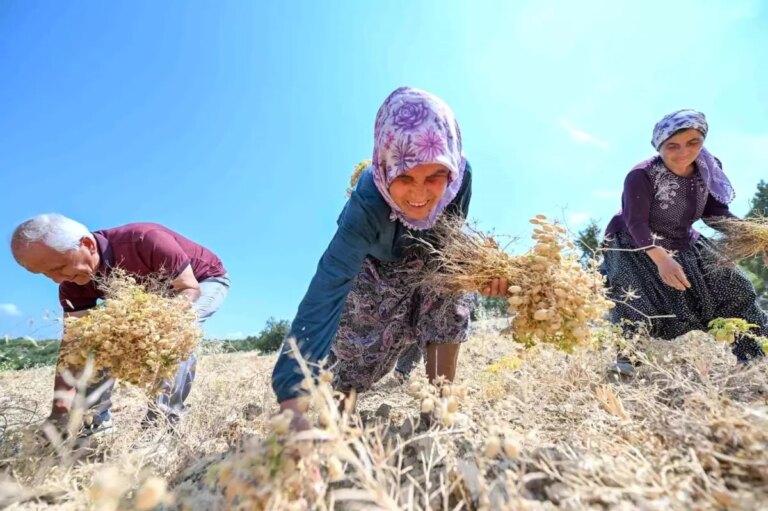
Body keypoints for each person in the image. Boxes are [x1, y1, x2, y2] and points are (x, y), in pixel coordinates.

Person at [272, 87, 507, 428]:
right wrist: (291, 397)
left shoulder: (461, 177)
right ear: (384, 166)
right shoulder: (366, 203)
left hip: (429, 259)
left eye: (434, 177)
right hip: (375, 272)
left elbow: (451, 245)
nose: (418, 194)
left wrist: (481, 273)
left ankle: (438, 410)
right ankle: (339, 409)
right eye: (404, 177)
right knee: (356, 347)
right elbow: (327, 290)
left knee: (452, 288)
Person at [11, 214, 230, 434]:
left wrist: (147, 324)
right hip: (147, 299)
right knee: (95, 340)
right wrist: (60, 408)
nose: (58, 279)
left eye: (59, 267)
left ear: (87, 245)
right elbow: (73, 345)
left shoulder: (145, 240)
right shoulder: (72, 282)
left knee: (175, 332)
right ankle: (94, 423)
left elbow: (188, 289)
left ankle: (161, 424)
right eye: (46, 274)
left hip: (201, 281)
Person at [601, 109, 766, 374]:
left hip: (682, 239)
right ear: (659, 146)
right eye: (672, 146)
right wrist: (662, 260)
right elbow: (636, 223)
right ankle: (628, 362)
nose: (684, 152)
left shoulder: (708, 168)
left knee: (734, 285)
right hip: (634, 242)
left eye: (693, 143)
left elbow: (714, 213)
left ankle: (753, 353)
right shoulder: (641, 175)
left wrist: (752, 235)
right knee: (634, 297)